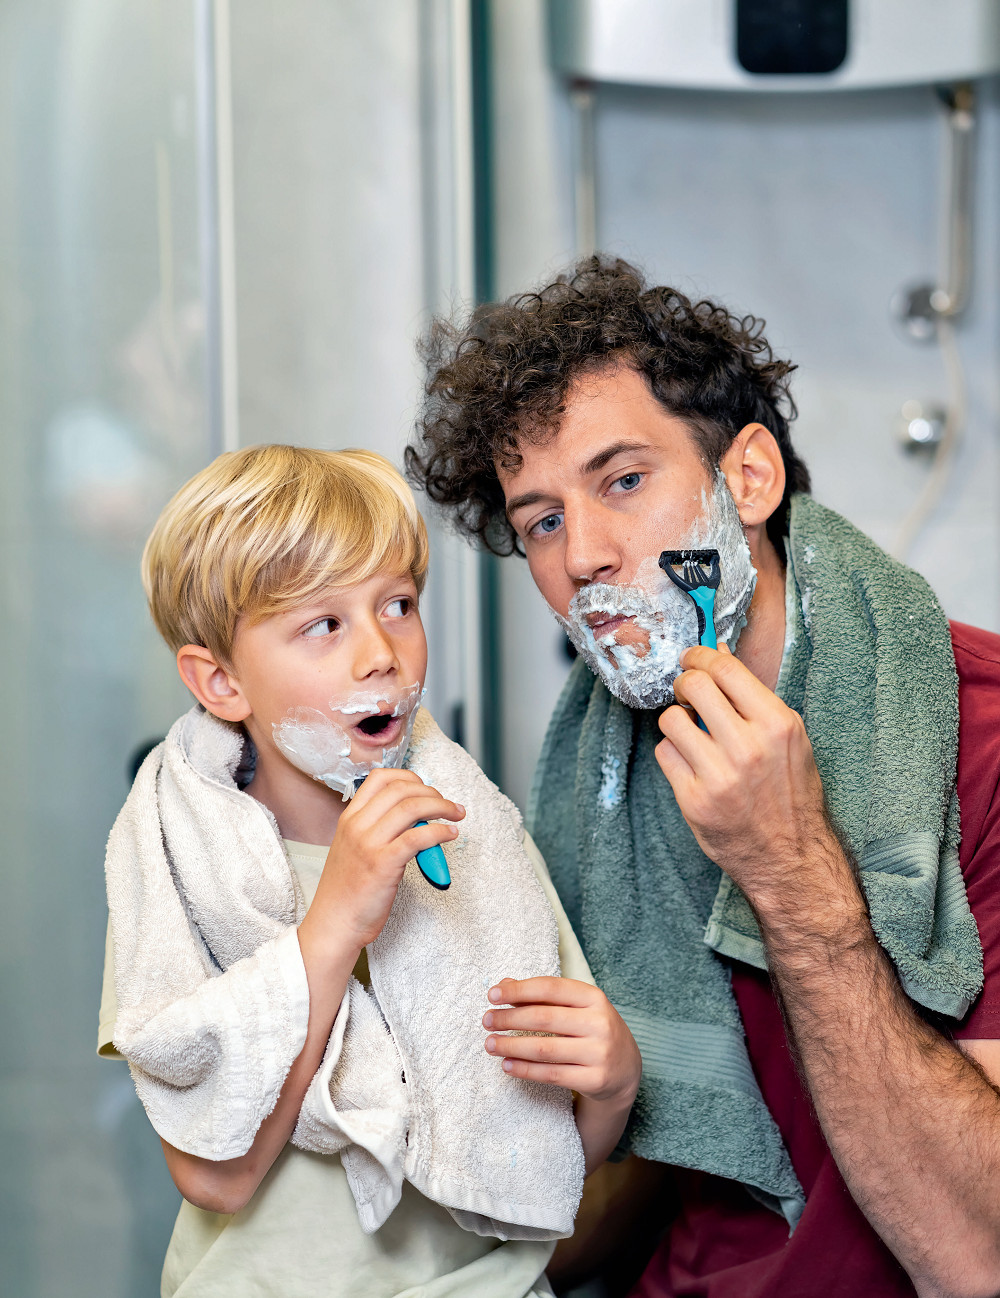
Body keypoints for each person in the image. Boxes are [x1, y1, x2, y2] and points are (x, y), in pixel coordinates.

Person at [406, 256, 1000, 1298]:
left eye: (624, 481)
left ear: (750, 479)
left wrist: (790, 868)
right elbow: (615, 1201)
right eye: (542, 520)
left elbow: (976, 1254)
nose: (583, 555)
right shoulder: (594, 785)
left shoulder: (978, 736)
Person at [97, 444, 641, 1298]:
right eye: (324, 624)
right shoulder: (179, 863)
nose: (381, 653)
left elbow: (541, 1165)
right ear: (221, 681)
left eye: (398, 605)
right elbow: (215, 1176)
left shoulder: (472, 832)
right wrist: (335, 921)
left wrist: (613, 1087)